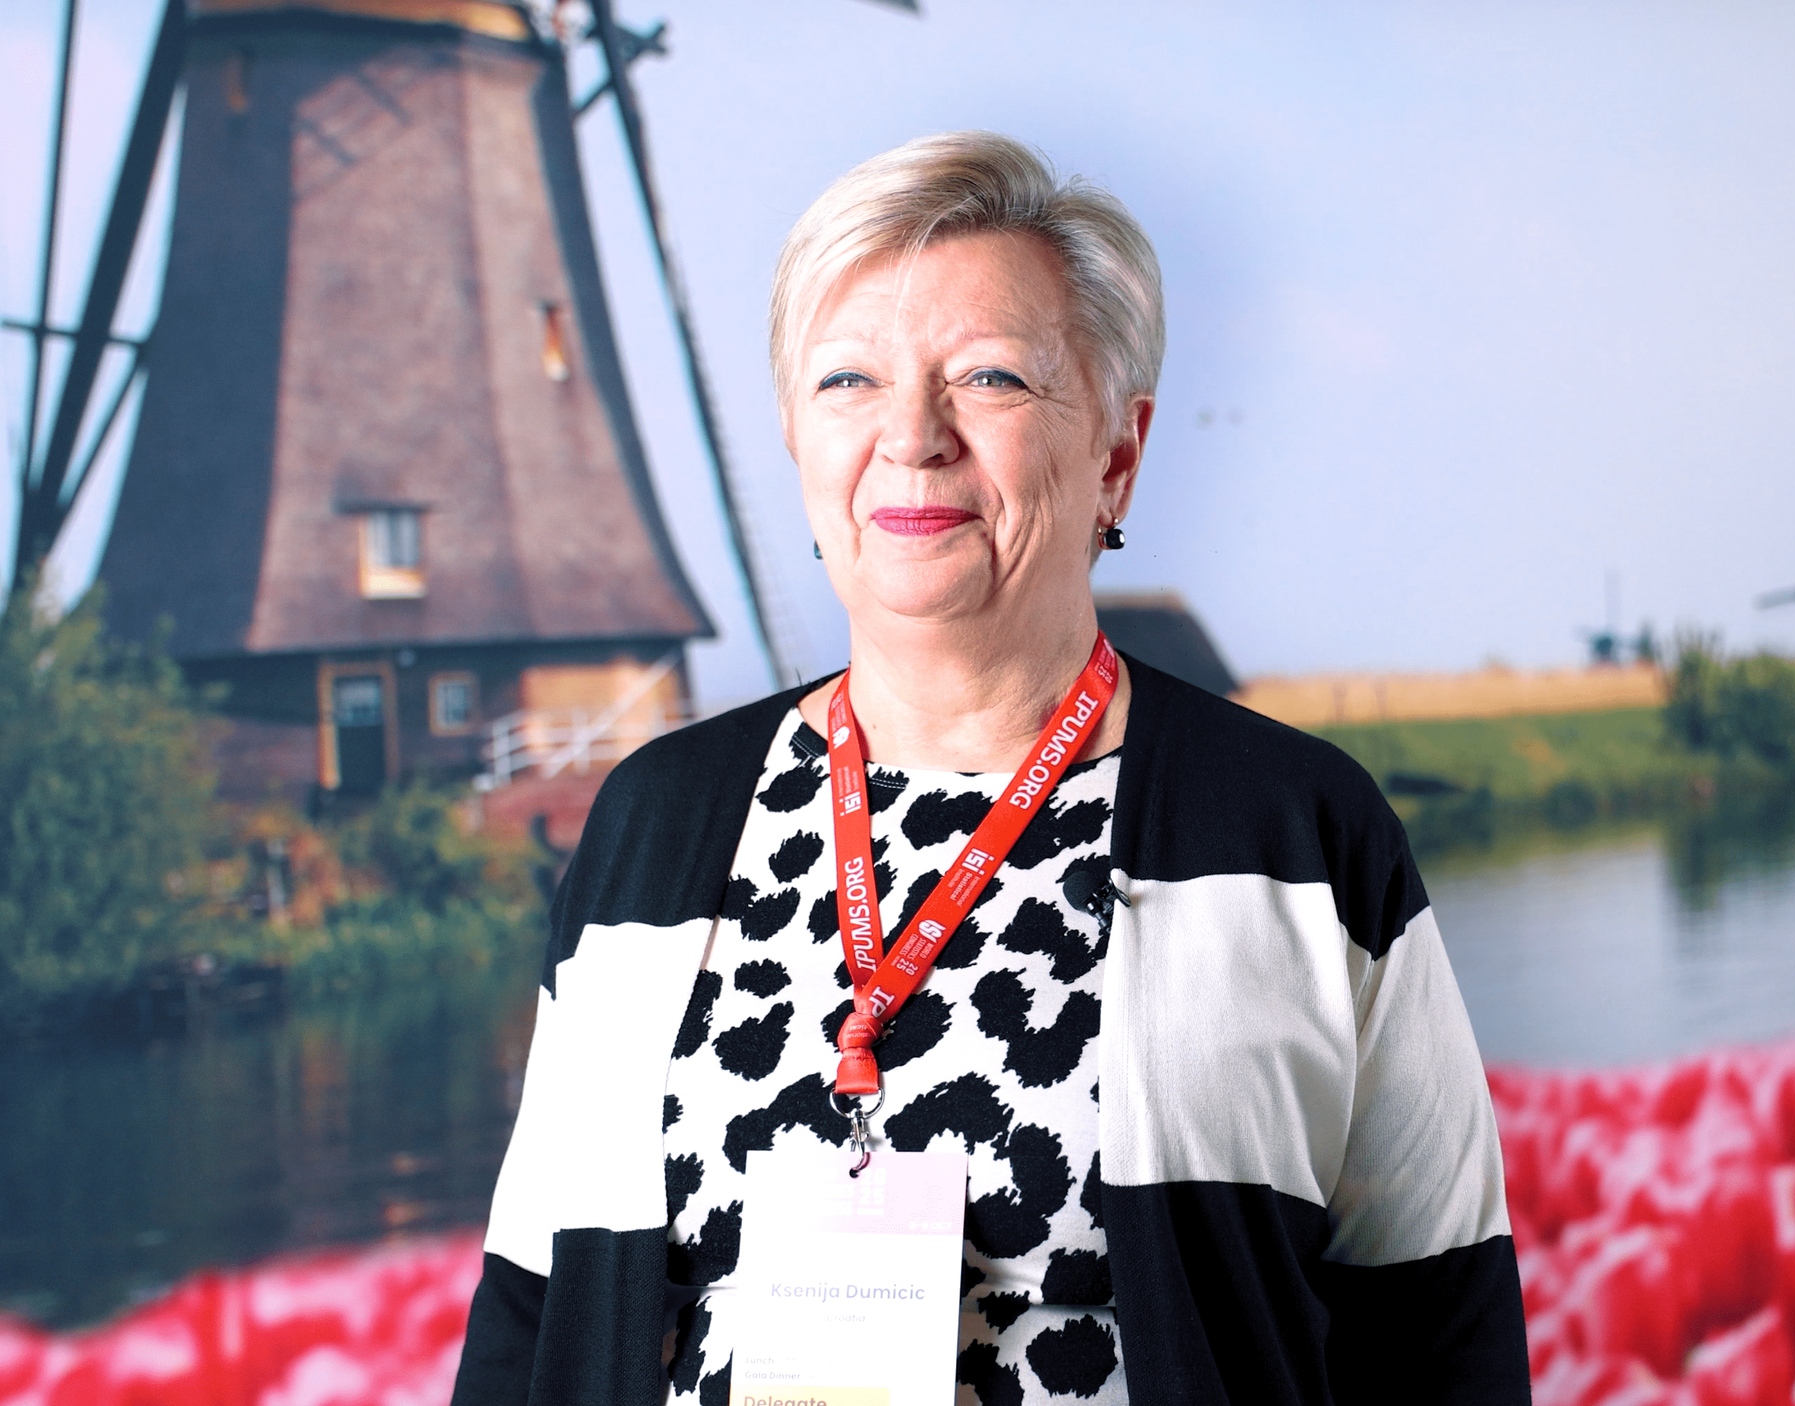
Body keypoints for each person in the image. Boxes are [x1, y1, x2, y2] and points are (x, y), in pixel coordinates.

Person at [450, 130, 1527, 1406]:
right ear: (796, 440)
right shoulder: (654, 821)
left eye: (992, 379)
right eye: (848, 379)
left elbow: (1441, 1332)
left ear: (1114, 455)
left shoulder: (1294, 830)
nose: (911, 435)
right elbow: (528, 1323)